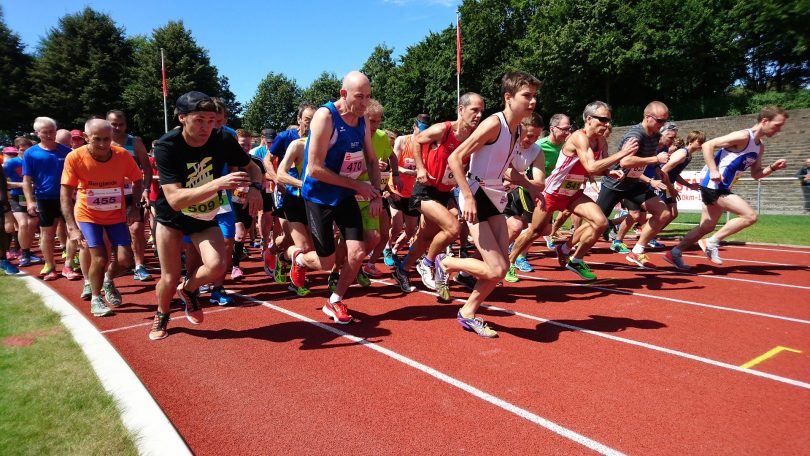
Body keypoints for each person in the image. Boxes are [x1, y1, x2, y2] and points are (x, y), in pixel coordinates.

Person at [432, 71, 540, 338]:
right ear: (508, 97)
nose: (533, 102)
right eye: (527, 96)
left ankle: (468, 312)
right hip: (477, 195)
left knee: (500, 269)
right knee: (496, 268)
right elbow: (455, 158)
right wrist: (467, 195)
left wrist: (532, 187)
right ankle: (446, 263)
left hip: (495, 197)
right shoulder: (495, 124)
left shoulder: (517, 130)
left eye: (535, 96)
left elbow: (507, 170)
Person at [150, 91, 263, 340]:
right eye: (200, 120)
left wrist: (255, 188)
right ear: (182, 118)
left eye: (212, 120)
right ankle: (162, 315)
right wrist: (218, 184)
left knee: (217, 266)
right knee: (169, 277)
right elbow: (175, 200)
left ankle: (189, 291)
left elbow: (253, 167)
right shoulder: (167, 145)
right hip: (172, 217)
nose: (207, 127)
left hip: (204, 215)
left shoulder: (222, 138)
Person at [509, 101, 639, 281]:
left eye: (608, 120)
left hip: (573, 192)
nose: (607, 124)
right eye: (602, 120)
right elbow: (592, 166)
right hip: (553, 192)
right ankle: (510, 261)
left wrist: (609, 171)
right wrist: (622, 154)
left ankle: (573, 257)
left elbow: (600, 167)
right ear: (589, 119)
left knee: (601, 223)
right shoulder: (579, 137)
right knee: (536, 231)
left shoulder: (601, 141)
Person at [290, 71, 382, 324]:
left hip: (344, 194)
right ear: (343, 94)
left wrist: (376, 193)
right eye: (359, 97)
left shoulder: (362, 120)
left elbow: (372, 160)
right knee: (325, 260)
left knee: (357, 251)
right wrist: (356, 184)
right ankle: (298, 257)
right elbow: (314, 168)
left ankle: (335, 300)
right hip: (318, 195)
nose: (364, 103)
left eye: (368, 97)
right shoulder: (325, 116)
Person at [665, 106, 789, 270]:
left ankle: (674, 252)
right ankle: (712, 242)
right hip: (714, 186)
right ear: (765, 121)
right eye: (777, 125)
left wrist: (773, 167)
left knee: (707, 226)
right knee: (750, 216)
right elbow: (708, 145)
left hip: (721, 188)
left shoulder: (760, 146)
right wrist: (714, 170)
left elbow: (756, 174)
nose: (779, 129)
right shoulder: (743, 136)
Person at [391, 93, 485, 293]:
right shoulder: (444, 129)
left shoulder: (475, 137)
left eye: (481, 111)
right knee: (453, 228)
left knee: (426, 236)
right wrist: (421, 168)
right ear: (461, 110)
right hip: (425, 190)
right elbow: (417, 140)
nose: (478, 115)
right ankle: (427, 263)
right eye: (474, 110)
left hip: (446, 192)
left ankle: (402, 268)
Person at [61, 119, 143, 316]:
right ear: (86, 137)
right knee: (100, 257)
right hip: (88, 215)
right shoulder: (75, 157)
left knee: (125, 260)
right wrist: (72, 227)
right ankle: (96, 299)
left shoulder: (122, 155)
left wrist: (134, 207)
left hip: (115, 214)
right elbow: (65, 194)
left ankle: (107, 280)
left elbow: (137, 180)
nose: (103, 144)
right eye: (97, 139)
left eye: (107, 139)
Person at [594, 101, 672, 268]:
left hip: (634, 184)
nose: (662, 125)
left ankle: (637, 250)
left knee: (663, 213)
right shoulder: (635, 135)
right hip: (615, 183)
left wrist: (657, 169)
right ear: (647, 117)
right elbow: (625, 161)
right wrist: (655, 159)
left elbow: (646, 157)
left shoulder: (655, 136)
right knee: (596, 224)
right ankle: (567, 247)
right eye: (660, 121)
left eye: (665, 121)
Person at [22, 117, 80, 281]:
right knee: (47, 233)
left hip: (67, 198)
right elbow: (27, 181)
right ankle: (50, 265)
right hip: (44, 198)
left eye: (52, 131)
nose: (49, 135)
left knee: (72, 231)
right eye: (45, 132)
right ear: (37, 133)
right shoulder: (31, 153)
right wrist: (30, 201)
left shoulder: (67, 152)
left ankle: (68, 265)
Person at [107, 110, 153, 281]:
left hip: (132, 193)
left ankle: (139, 265)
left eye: (121, 124)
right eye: (113, 124)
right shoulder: (102, 142)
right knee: (113, 231)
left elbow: (147, 168)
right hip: (109, 195)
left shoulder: (134, 142)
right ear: (106, 123)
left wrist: (146, 189)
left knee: (136, 228)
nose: (118, 128)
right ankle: (119, 263)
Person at [503, 112, 545, 283]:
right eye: (529, 135)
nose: (533, 140)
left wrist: (518, 178)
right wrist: (521, 179)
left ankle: (504, 262)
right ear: (520, 129)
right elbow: (505, 169)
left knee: (519, 227)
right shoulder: (507, 141)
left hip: (506, 193)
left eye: (537, 136)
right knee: (515, 227)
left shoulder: (536, 151)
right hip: (483, 189)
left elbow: (540, 183)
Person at [384, 115, 429, 268]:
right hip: (396, 189)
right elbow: (394, 165)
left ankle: (396, 250)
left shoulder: (427, 144)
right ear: (414, 127)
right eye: (420, 130)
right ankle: (387, 248)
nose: (422, 134)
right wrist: (412, 172)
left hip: (412, 193)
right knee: (396, 225)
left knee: (410, 230)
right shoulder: (402, 140)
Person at [0, 158, 20, 275]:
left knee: (6, 230)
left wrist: (5, 207)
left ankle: (3, 259)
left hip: (2, 204)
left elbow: (3, 184)